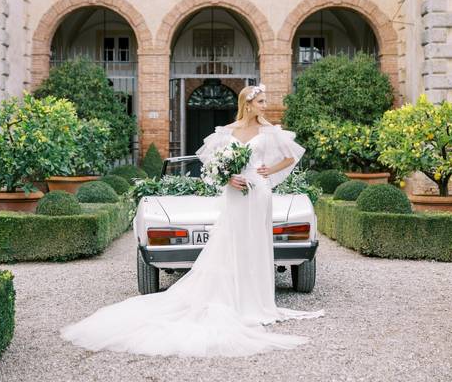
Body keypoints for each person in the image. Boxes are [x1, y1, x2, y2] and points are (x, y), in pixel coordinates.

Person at [60, 84, 324, 357]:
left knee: (256, 243)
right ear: (247, 104)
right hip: (235, 192)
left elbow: (291, 157)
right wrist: (228, 178)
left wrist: (268, 170)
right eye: (261, 101)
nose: (264, 105)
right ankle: (233, 297)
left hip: (258, 193)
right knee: (233, 241)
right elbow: (210, 167)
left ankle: (257, 302)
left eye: (264, 101)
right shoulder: (227, 132)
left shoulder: (269, 131)